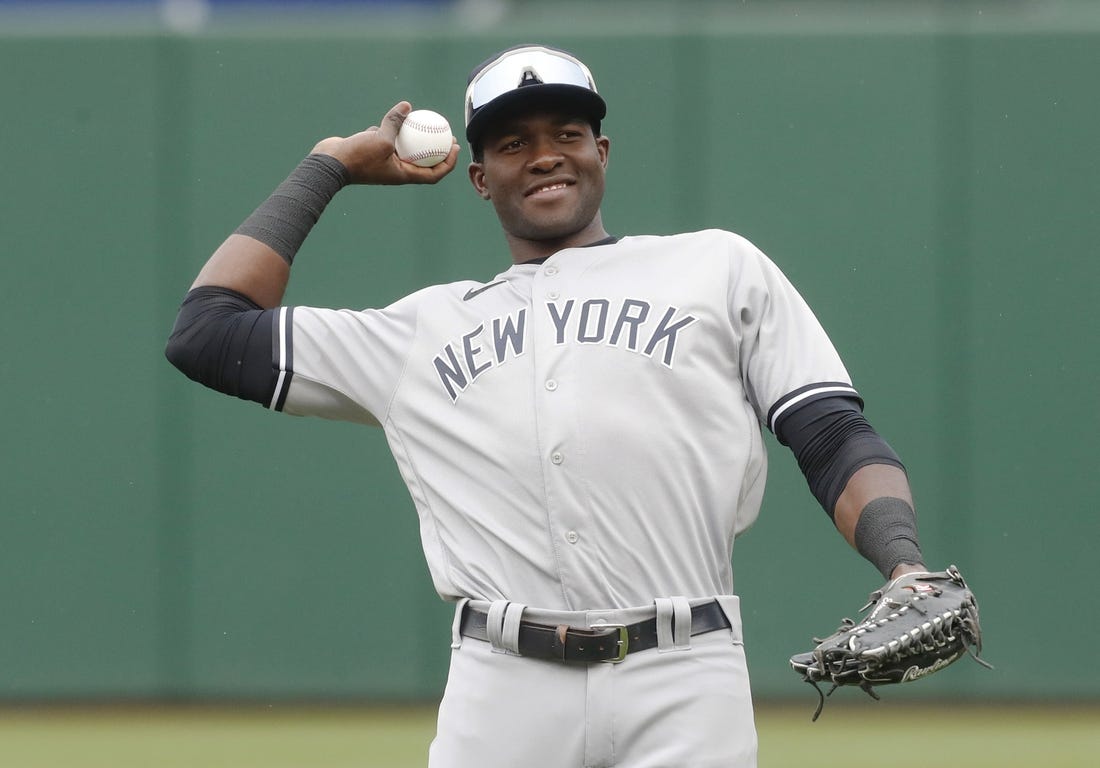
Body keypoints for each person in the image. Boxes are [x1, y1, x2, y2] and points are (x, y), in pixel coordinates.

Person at [166, 44, 927, 768]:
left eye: (567, 132)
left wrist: (905, 566)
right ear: (477, 177)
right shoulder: (419, 332)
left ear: (603, 151)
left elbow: (828, 432)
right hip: (503, 686)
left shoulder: (716, 267)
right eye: (511, 142)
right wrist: (329, 165)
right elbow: (207, 331)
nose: (544, 154)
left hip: (685, 673)